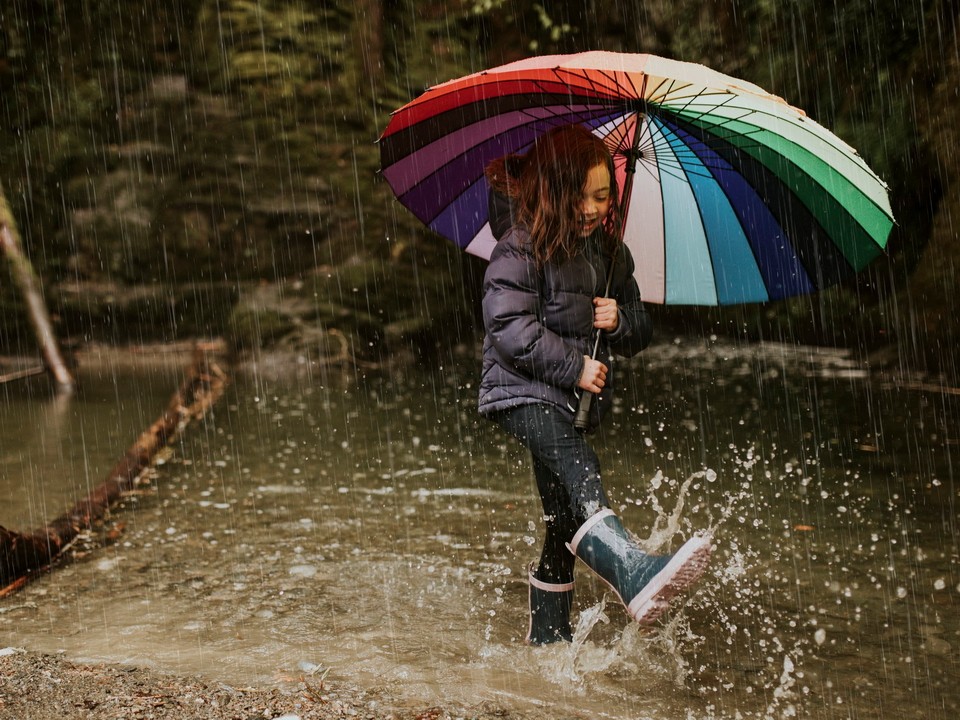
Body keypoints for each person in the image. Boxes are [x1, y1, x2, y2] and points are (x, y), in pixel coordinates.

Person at [478, 124, 712, 645]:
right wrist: (576, 367)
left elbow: (640, 330)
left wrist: (619, 320)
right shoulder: (520, 246)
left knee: (563, 518)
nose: (591, 208)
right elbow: (509, 328)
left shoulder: (609, 254)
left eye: (602, 196)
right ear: (554, 191)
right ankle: (632, 569)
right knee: (579, 467)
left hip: (565, 399)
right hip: (519, 392)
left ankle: (547, 640)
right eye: (580, 195)